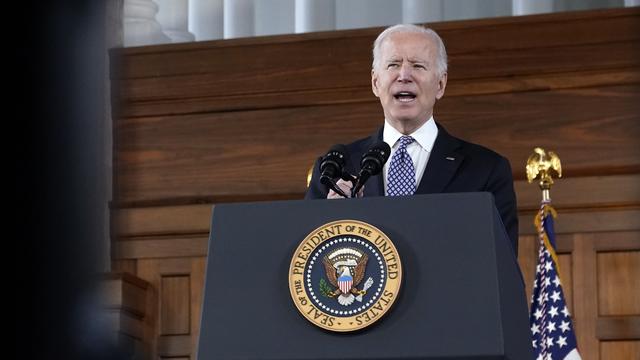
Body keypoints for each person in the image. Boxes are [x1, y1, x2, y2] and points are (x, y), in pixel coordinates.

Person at [305, 24, 519, 255]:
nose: (404, 76)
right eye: (393, 65)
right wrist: (332, 219)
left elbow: (500, 265)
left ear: (440, 84)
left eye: (418, 65)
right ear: (376, 83)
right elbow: (308, 255)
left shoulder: (486, 170)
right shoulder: (336, 168)